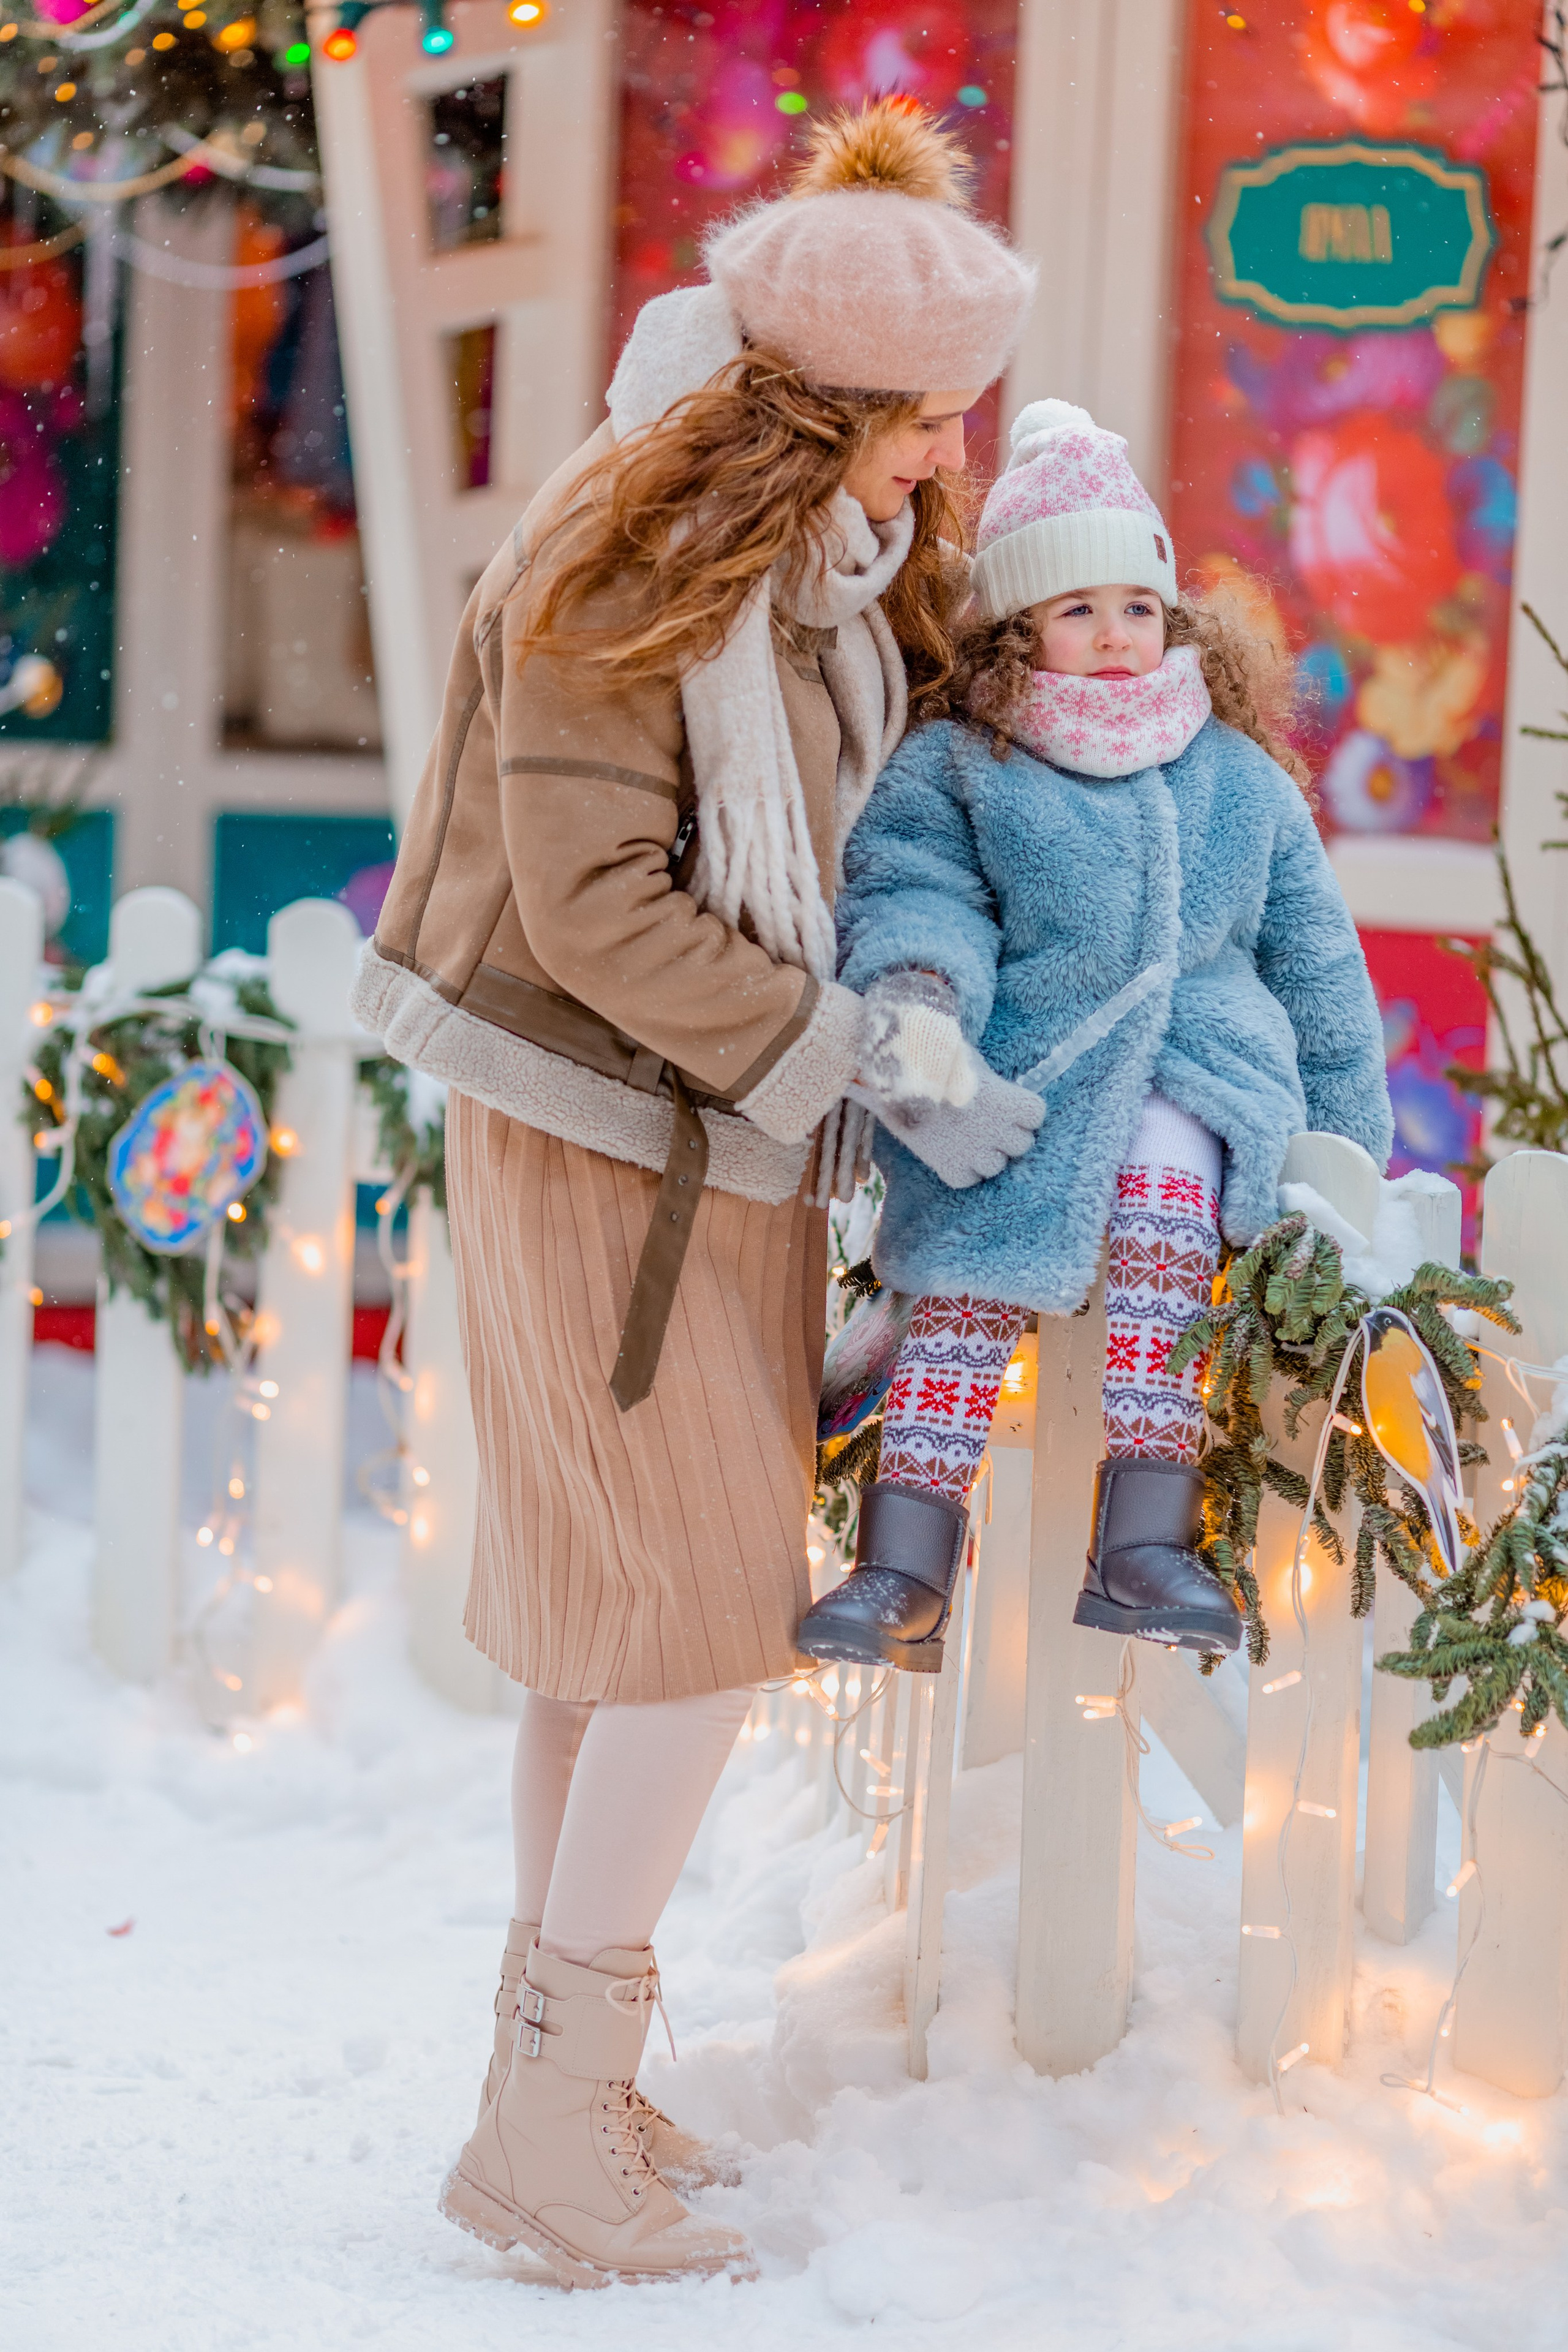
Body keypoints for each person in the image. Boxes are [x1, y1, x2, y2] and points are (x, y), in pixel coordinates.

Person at [350, 102, 1036, 2289]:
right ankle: (549, 2130)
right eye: (928, 414)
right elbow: (589, 900)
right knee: (694, 1611)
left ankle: (561, 2083)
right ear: (827, 398)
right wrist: (854, 1062)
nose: (948, 455)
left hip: (706, 1137)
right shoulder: (629, 554)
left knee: (608, 1632)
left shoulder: (807, 564)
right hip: (602, 1133)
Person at [798, 399, 1394, 1672]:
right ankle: (900, 1563)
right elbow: (919, 901)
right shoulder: (961, 766)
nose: (1114, 634)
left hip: (1199, 1076)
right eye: (1076, 610)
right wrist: (922, 1029)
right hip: (1028, 1080)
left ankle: (1142, 1538)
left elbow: (1316, 966)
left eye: (1136, 604)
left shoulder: (1233, 777)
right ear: (1017, 631)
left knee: (1162, 1205)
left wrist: (1343, 1152)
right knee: (968, 1274)